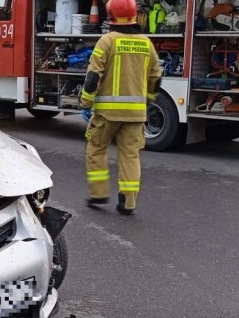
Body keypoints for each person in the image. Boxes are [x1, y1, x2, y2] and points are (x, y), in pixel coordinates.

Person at [79, 0, 162, 215]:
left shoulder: (106, 41)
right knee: (130, 156)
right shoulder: (146, 43)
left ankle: (98, 193)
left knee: (95, 149)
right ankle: (128, 203)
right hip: (136, 114)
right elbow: (156, 78)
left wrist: (85, 102)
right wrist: (148, 101)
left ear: (111, 16)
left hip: (107, 113)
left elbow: (93, 77)